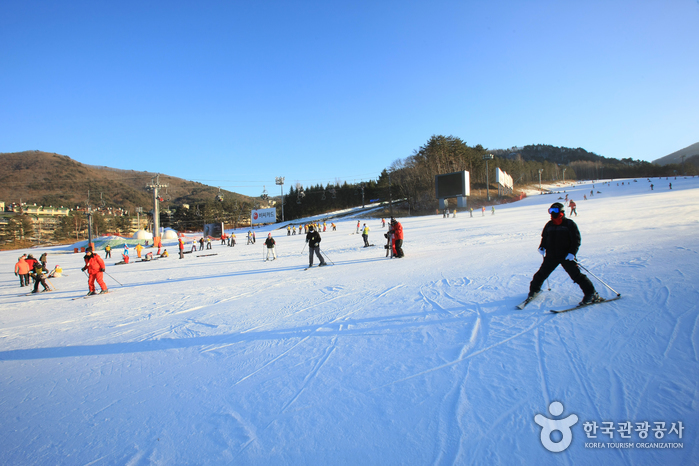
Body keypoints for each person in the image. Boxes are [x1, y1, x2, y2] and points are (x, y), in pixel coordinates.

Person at [526, 203, 601, 305]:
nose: (553, 213)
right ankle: (534, 290)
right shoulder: (549, 225)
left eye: (555, 211)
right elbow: (545, 238)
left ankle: (591, 294)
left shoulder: (569, 224)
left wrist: (572, 253)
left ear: (561, 211)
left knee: (576, 276)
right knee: (541, 274)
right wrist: (542, 246)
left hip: (566, 256)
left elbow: (576, 240)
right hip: (551, 255)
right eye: (551, 211)